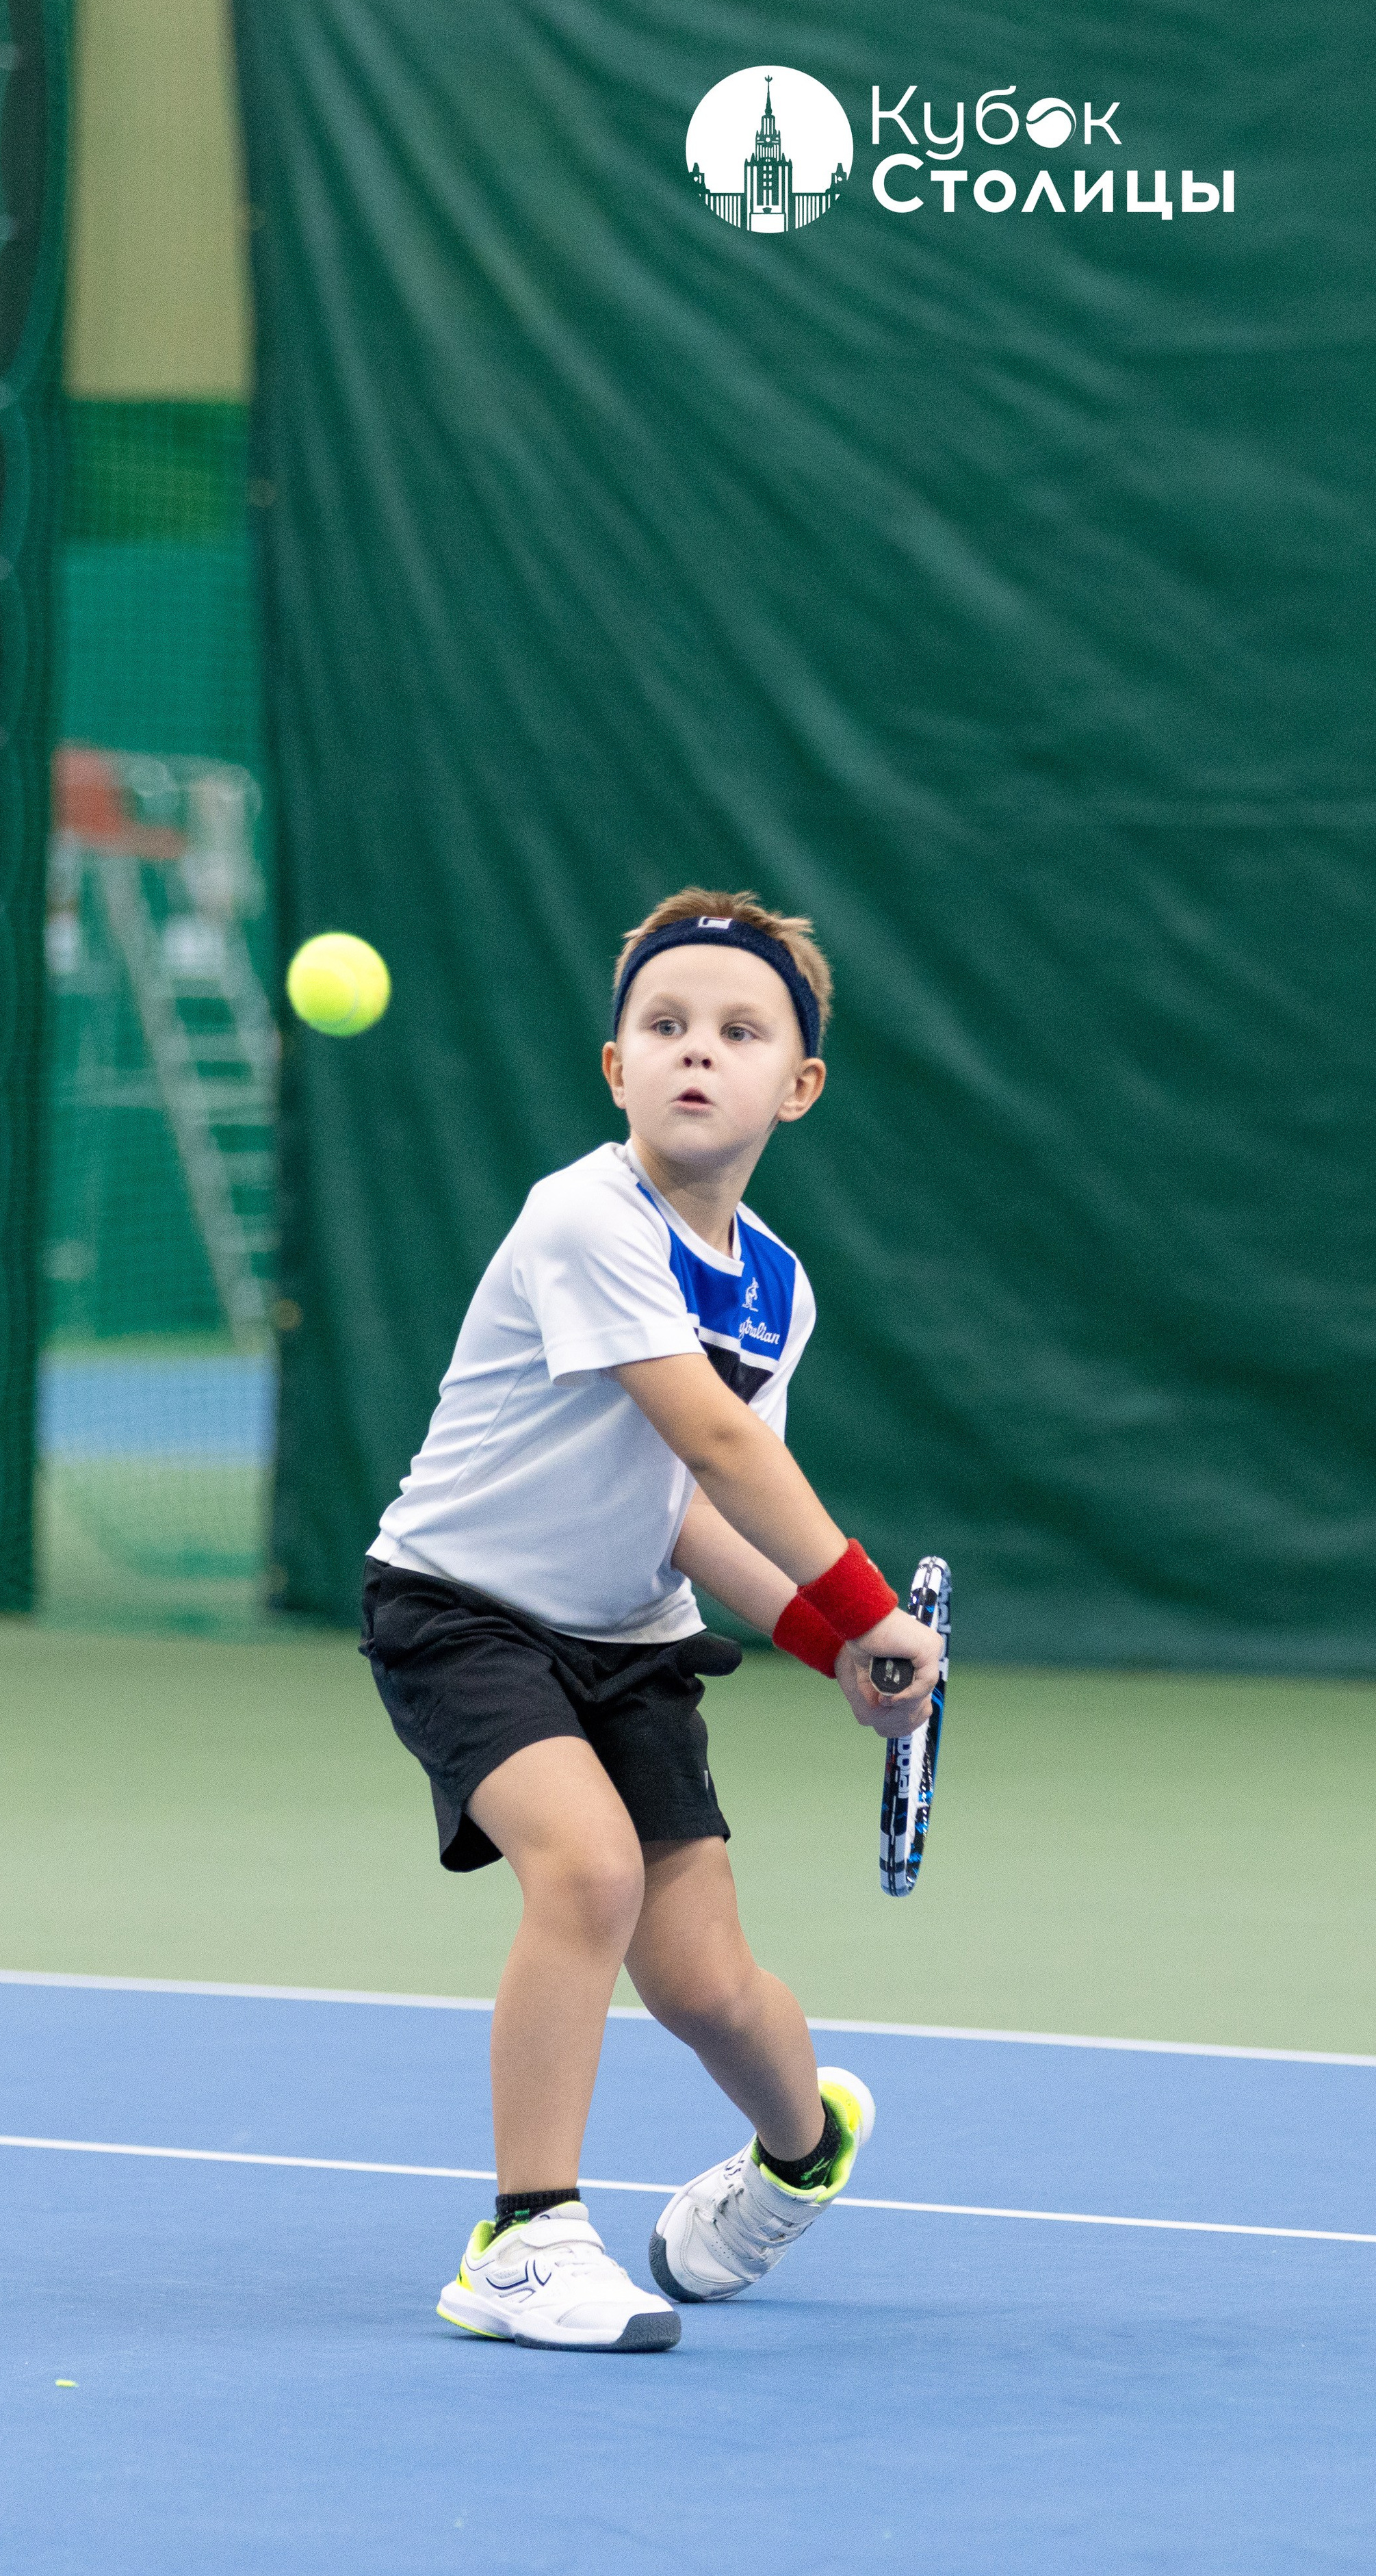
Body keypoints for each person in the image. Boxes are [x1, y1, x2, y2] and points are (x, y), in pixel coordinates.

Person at [359, 888, 942, 2353]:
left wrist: (831, 1646)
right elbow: (728, 1444)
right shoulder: (582, 1216)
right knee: (586, 1870)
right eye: (663, 1025)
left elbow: (700, 1505)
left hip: (630, 1634)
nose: (696, 1051)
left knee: (705, 1982)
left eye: (737, 1031)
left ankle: (800, 2149)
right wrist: (876, 1602)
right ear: (613, 1066)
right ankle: (522, 2237)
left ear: (794, 1086)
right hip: (460, 1607)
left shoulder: (777, 1288)